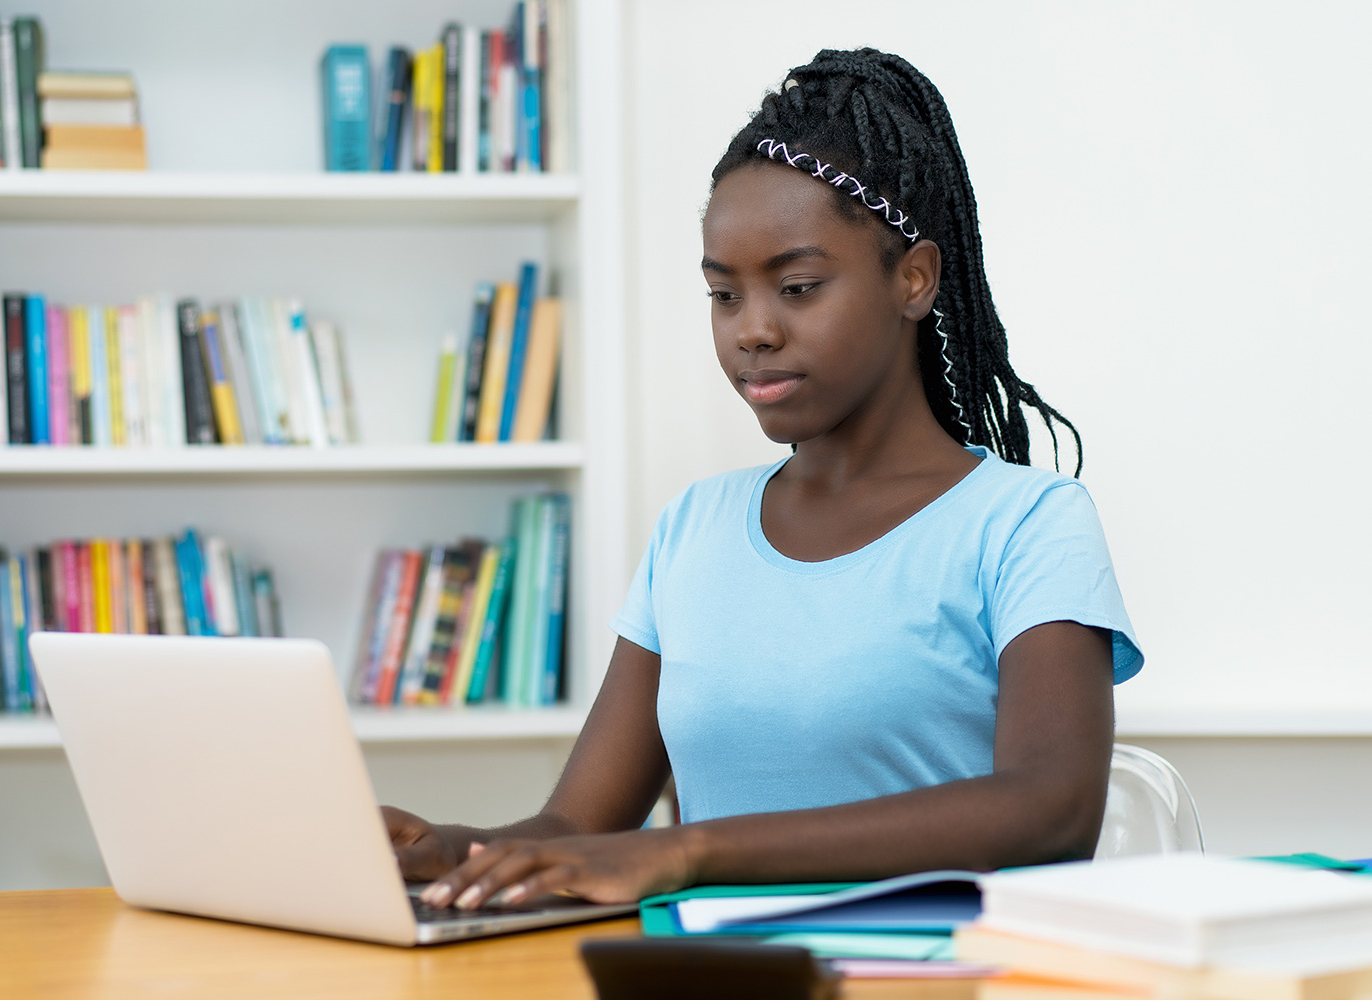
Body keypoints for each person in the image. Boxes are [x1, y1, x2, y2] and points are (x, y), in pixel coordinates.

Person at [385, 47, 1142, 912]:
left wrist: (693, 850)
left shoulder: (1028, 524)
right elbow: (579, 828)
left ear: (915, 278)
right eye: (724, 295)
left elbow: (1051, 810)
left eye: (797, 286)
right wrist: (451, 850)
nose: (754, 331)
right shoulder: (693, 530)